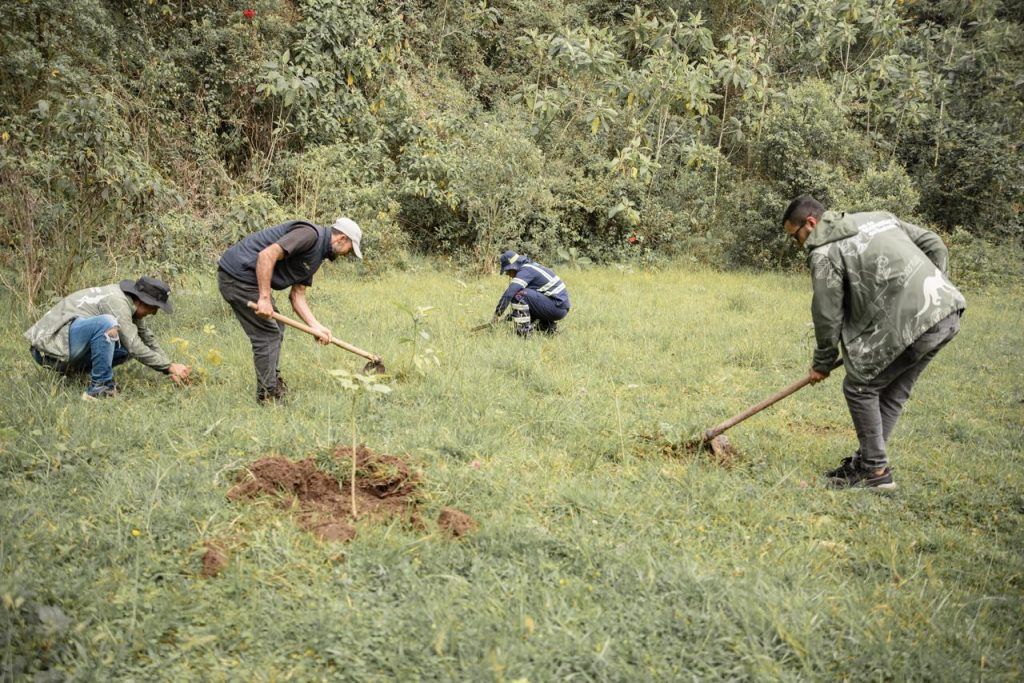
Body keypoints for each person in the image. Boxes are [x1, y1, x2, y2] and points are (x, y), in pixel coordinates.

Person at [782, 195, 966, 489]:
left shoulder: (824, 253)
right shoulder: (877, 217)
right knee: (891, 392)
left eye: (796, 236)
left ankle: (876, 473)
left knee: (859, 387)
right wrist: (938, 287)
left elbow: (827, 317)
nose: (798, 245)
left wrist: (822, 364)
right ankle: (866, 463)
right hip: (947, 314)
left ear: (811, 223)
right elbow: (934, 243)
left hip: (915, 323)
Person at [217, 217, 362, 403]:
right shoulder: (309, 235)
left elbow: (297, 295)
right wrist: (264, 298)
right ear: (341, 239)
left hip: (247, 279)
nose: (347, 254)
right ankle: (267, 395)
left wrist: (316, 326)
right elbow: (266, 256)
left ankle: (272, 381)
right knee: (267, 333)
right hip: (236, 276)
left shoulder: (318, 257)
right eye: (350, 249)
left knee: (277, 325)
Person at [24, 277, 192, 400]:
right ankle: (99, 388)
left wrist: (170, 368)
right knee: (108, 324)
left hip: (65, 347)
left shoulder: (129, 304)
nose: (154, 312)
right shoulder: (117, 302)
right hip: (48, 350)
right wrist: (169, 367)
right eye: (155, 307)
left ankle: (76, 374)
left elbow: (146, 339)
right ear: (142, 301)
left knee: (127, 345)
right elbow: (134, 345)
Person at [491, 250, 570, 336]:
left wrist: (497, 315)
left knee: (519, 294)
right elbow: (532, 301)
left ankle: (523, 333)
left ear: (513, 267)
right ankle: (548, 328)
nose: (508, 275)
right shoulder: (529, 266)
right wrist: (513, 315)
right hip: (559, 307)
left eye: (507, 271)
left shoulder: (525, 271)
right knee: (524, 295)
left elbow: (509, 293)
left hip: (556, 307)